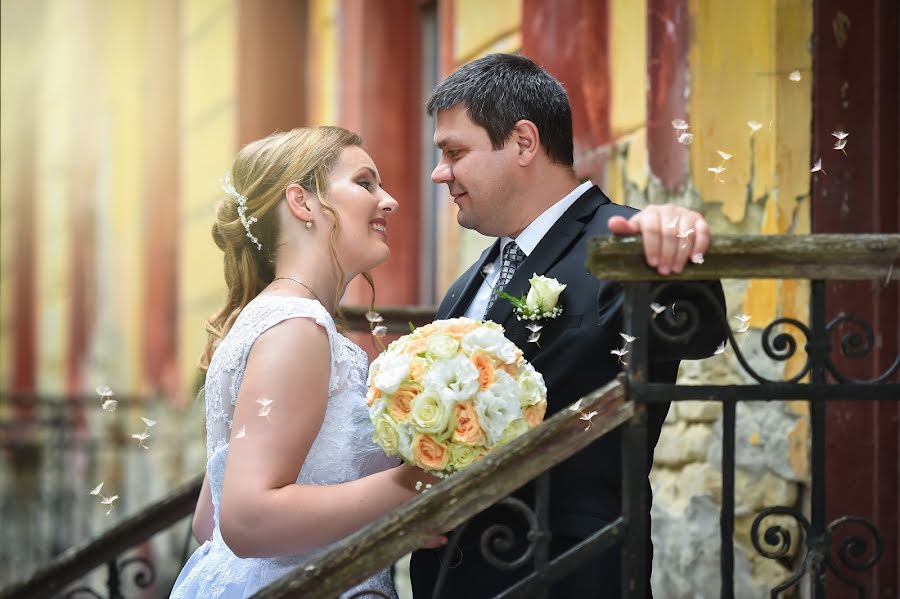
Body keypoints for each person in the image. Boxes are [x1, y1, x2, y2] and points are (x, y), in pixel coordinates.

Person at [409, 53, 726, 598]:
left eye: (455, 152)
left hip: (568, 572)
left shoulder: (620, 244)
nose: (440, 173)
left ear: (525, 143)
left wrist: (681, 239)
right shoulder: (466, 285)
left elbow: (700, 329)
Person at [171, 126, 443, 599]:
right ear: (302, 203)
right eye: (365, 183)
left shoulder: (272, 318)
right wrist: (416, 483)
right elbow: (245, 519)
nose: (390, 201)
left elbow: (207, 520)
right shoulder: (297, 325)